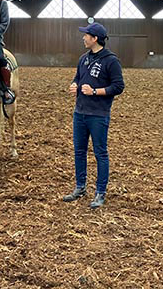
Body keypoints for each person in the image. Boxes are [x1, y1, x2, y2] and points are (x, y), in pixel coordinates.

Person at [63, 22, 124, 209]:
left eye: (86, 35)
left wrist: (96, 92)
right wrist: (75, 85)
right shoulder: (83, 59)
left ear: (95, 38)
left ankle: (100, 192)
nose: (83, 37)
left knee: (100, 153)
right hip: (79, 112)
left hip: (98, 114)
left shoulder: (111, 60)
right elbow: (78, 77)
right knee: (79, 152)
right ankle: (80, 187)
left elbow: (118, 86)